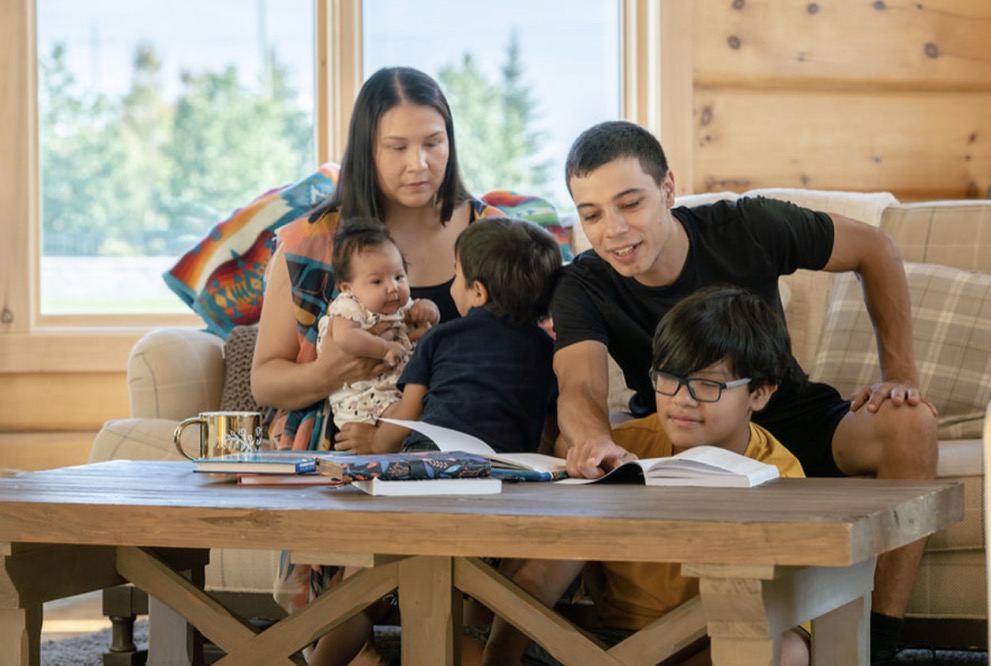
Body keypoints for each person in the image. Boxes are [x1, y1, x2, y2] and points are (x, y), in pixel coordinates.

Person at [549, 120, 938, 665]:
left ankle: (882, 643)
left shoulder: (746, 225)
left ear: (667, 190)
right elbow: (580, 386)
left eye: (630, 203)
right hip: (688, 431)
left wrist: (901, 378)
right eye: (591, 214)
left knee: (912, 422)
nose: (612, 229)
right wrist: (592, 444)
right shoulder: (583, 283)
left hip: (790, 412)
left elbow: (874, 248)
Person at [250, 66, 507, 665]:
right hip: (347, 441)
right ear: (366, 150)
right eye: (397, 147)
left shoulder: (495, 235)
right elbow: (266, 377)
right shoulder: (310, 241)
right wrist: (330, 371)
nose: (419, 163)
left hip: (466, 442)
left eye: (433, 143)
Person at [481, 285, 810, 666]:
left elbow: (790, 604)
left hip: (718, 642)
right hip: (614, 643)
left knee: (786, 651)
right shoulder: (623, 450)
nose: (682, 399)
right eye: (668, 378)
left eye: (708, 384)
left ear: (760, 393)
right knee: (471, 638)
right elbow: (546, 573)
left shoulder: (779, 474)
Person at [348, 215, 562, 456]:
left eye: (456, 275)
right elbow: (551, 427)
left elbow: (409, 412)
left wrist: (375, 442)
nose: (453, 283)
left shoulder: (441, 337)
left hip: (432, 452)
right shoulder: (549, 351)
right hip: (506, 459)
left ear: (478, 292)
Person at [317, 218, 439, 433]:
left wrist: (430, 310)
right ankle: (381, 440)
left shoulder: (398, 306)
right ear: (347, 288)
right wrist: (384, 349)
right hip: (365, 398)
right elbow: (346, 338)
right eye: (377, 281)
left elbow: (425, 322)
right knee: (405, 421)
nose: (393, 287)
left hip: (397, 390)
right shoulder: (349, 307)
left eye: (399, 277)